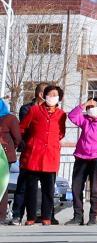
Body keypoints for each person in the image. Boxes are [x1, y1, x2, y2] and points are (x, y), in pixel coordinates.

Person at [20, 84, 67, 225]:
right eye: (50, 94)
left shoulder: (61, 114)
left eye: (55, 95)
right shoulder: (34, 110)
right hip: (34, 155)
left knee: (48, 190)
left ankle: (47, 217)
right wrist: (29, 142)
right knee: (31, 189)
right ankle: (31, 217)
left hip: (50, 156)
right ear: (44, 96)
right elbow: (23, 127)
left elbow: (61, 133)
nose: (53, 97)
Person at [66, 98, 97, 224]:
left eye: (92, 106)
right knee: (76, 188)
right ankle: (78, 216)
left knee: (95, 188)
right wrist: (84, 105)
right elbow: (71, 116)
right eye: (88, 107)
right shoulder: (84, 120)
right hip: (81, 157)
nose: (90, 109)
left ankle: (93, 217)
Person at [9, 83, 48, 225]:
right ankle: (17, 214)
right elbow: (29, 127)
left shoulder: (52, 111)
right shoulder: (27, 108)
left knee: (45, 186)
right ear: (41, 94)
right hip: (29, 151)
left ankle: (42, 215)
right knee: (23, 184)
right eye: (48, 93)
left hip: (45, 153)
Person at [0, 99, 22, 224]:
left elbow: (17, 138)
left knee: (1, 185)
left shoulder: (10, 119)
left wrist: (10, 149)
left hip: (3, 157)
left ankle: (1, 215)